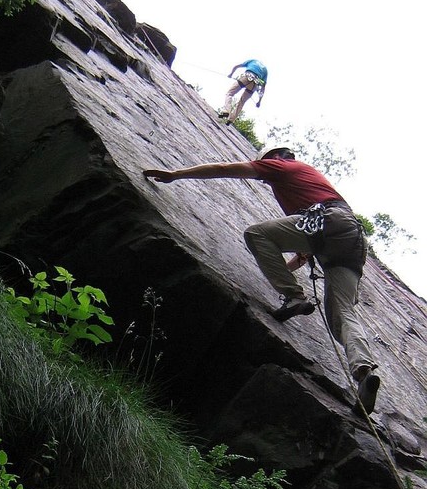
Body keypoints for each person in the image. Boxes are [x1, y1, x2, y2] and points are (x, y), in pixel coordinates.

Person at [142, 146, 381, 415]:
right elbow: (292, 261)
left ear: (277, 158)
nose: (265, 176)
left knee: (256, 234)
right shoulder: (307, 183)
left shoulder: (282, 166)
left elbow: (224, 169)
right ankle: (363, 371)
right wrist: (286, 272)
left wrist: (176, 174)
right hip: (352, 241)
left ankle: (294, 297)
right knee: (343, 312)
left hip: (328, 222)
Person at [219, 59, 268, 124]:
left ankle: (226, 111)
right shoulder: (265, 70)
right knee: (242, 102)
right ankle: (231, 120)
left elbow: (236, 66)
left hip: (247, 77)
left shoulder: (252, 61)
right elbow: (263, 88)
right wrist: (259, 101)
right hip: (254, 84)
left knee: (230, 93)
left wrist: (231, 74)